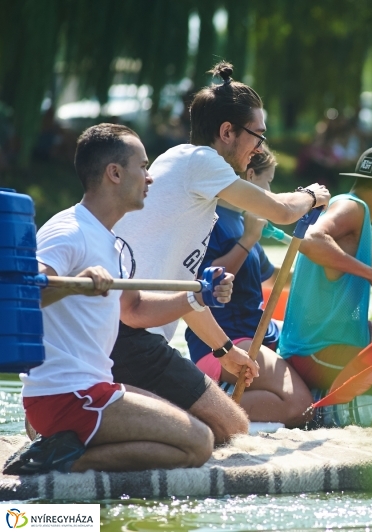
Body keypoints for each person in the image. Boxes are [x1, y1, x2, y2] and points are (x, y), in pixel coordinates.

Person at [110, 62, 331, 444]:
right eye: (257, 136)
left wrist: (225, 349)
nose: (260, 148)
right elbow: (279, 210)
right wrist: (313, 196)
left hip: (136, 336)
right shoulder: (200, 162)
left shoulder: (185, 181)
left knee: (227, 424)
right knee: (228, 428)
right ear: (227, 131)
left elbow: (185, 293)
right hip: (125, 337)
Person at [6, 124, 218, 475]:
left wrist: (198, 296)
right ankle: (60, 459)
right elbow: (22, 295)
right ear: (115, 173)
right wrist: (76, 284)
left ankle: (63, 441)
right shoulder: (69, 230)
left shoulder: (110, 240)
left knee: (192, 428)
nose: (149, 178)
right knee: (199, 443)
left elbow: (134, 311)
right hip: (66, 394)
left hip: (92, 387)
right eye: (143, 167)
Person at [278, 145, 372, 427]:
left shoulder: (355, 214)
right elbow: (313, 239)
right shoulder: (354, 207)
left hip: (321, 344)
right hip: (315, 353)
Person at [185, 150, 312, 426]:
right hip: (223, 341)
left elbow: (274, 277)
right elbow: (202, 282)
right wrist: (248, 239)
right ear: (250, 176)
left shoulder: (242, 220)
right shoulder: (211, 219)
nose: (269, 191)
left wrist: (321, 271)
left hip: (258, 332)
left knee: (310, 356)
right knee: (300, 406)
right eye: (268, 183)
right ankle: (204, 406)